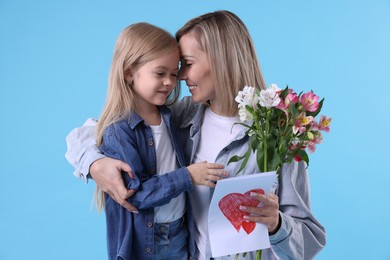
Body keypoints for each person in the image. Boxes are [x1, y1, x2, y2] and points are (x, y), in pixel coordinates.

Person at [66, 10, 326, 259]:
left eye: (187, 64)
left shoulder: (277, 134)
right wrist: (95, 163)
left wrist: (277, 225)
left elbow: (309, 243)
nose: (179, 77)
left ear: (221, 59)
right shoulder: (181, 117)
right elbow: (97, 128)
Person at [86, 22, 227, 260]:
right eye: (160, 73)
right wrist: (188, 176)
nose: (170, 82)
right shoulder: (118, 131)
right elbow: (135, 195)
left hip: (180, 233)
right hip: (145, 242)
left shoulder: (171, 116)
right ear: (129, 72)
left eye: (174, 73)